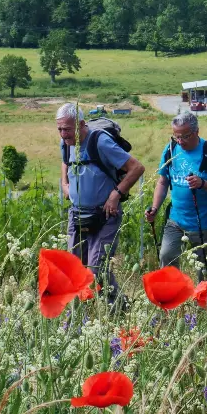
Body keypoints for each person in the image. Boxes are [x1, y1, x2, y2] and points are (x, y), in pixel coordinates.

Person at [57, 103, 144, 306]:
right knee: (75, 271)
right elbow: (65, 161)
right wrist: (65, 185)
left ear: (81, 125)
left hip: (105, 214)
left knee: (96, 269)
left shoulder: (100, 141)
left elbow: (137, 168)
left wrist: (116, 194)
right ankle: (83, 315)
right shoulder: (66, 143)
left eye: (67, 129)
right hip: (77, 215)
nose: (63, 134)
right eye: (60, 129)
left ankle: (115, 309)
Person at [145, 112, 207, 280]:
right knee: (166, 257)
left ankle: (204, 303)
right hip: (175, 220)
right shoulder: (171, 149)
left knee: (205, 271)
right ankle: (173, 298)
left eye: (185, 136)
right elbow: (163, 182)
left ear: (196, 131)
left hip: (203, 223)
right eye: (177, 136)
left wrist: (203, 183)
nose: (180, 141)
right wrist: (155, 208)